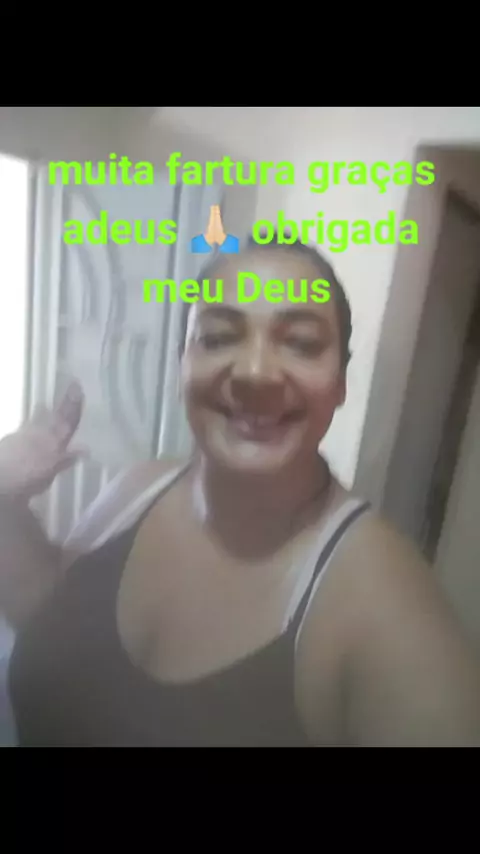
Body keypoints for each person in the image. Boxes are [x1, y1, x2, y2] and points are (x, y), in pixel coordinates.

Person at [1, 235, 480, 747]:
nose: (255, 372)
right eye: (219, 337)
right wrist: (4, 500)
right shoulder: (137, 487)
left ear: (340, 382)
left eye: (300, 343)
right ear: (181, 363)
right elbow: (47, 619)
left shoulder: (388, 608)